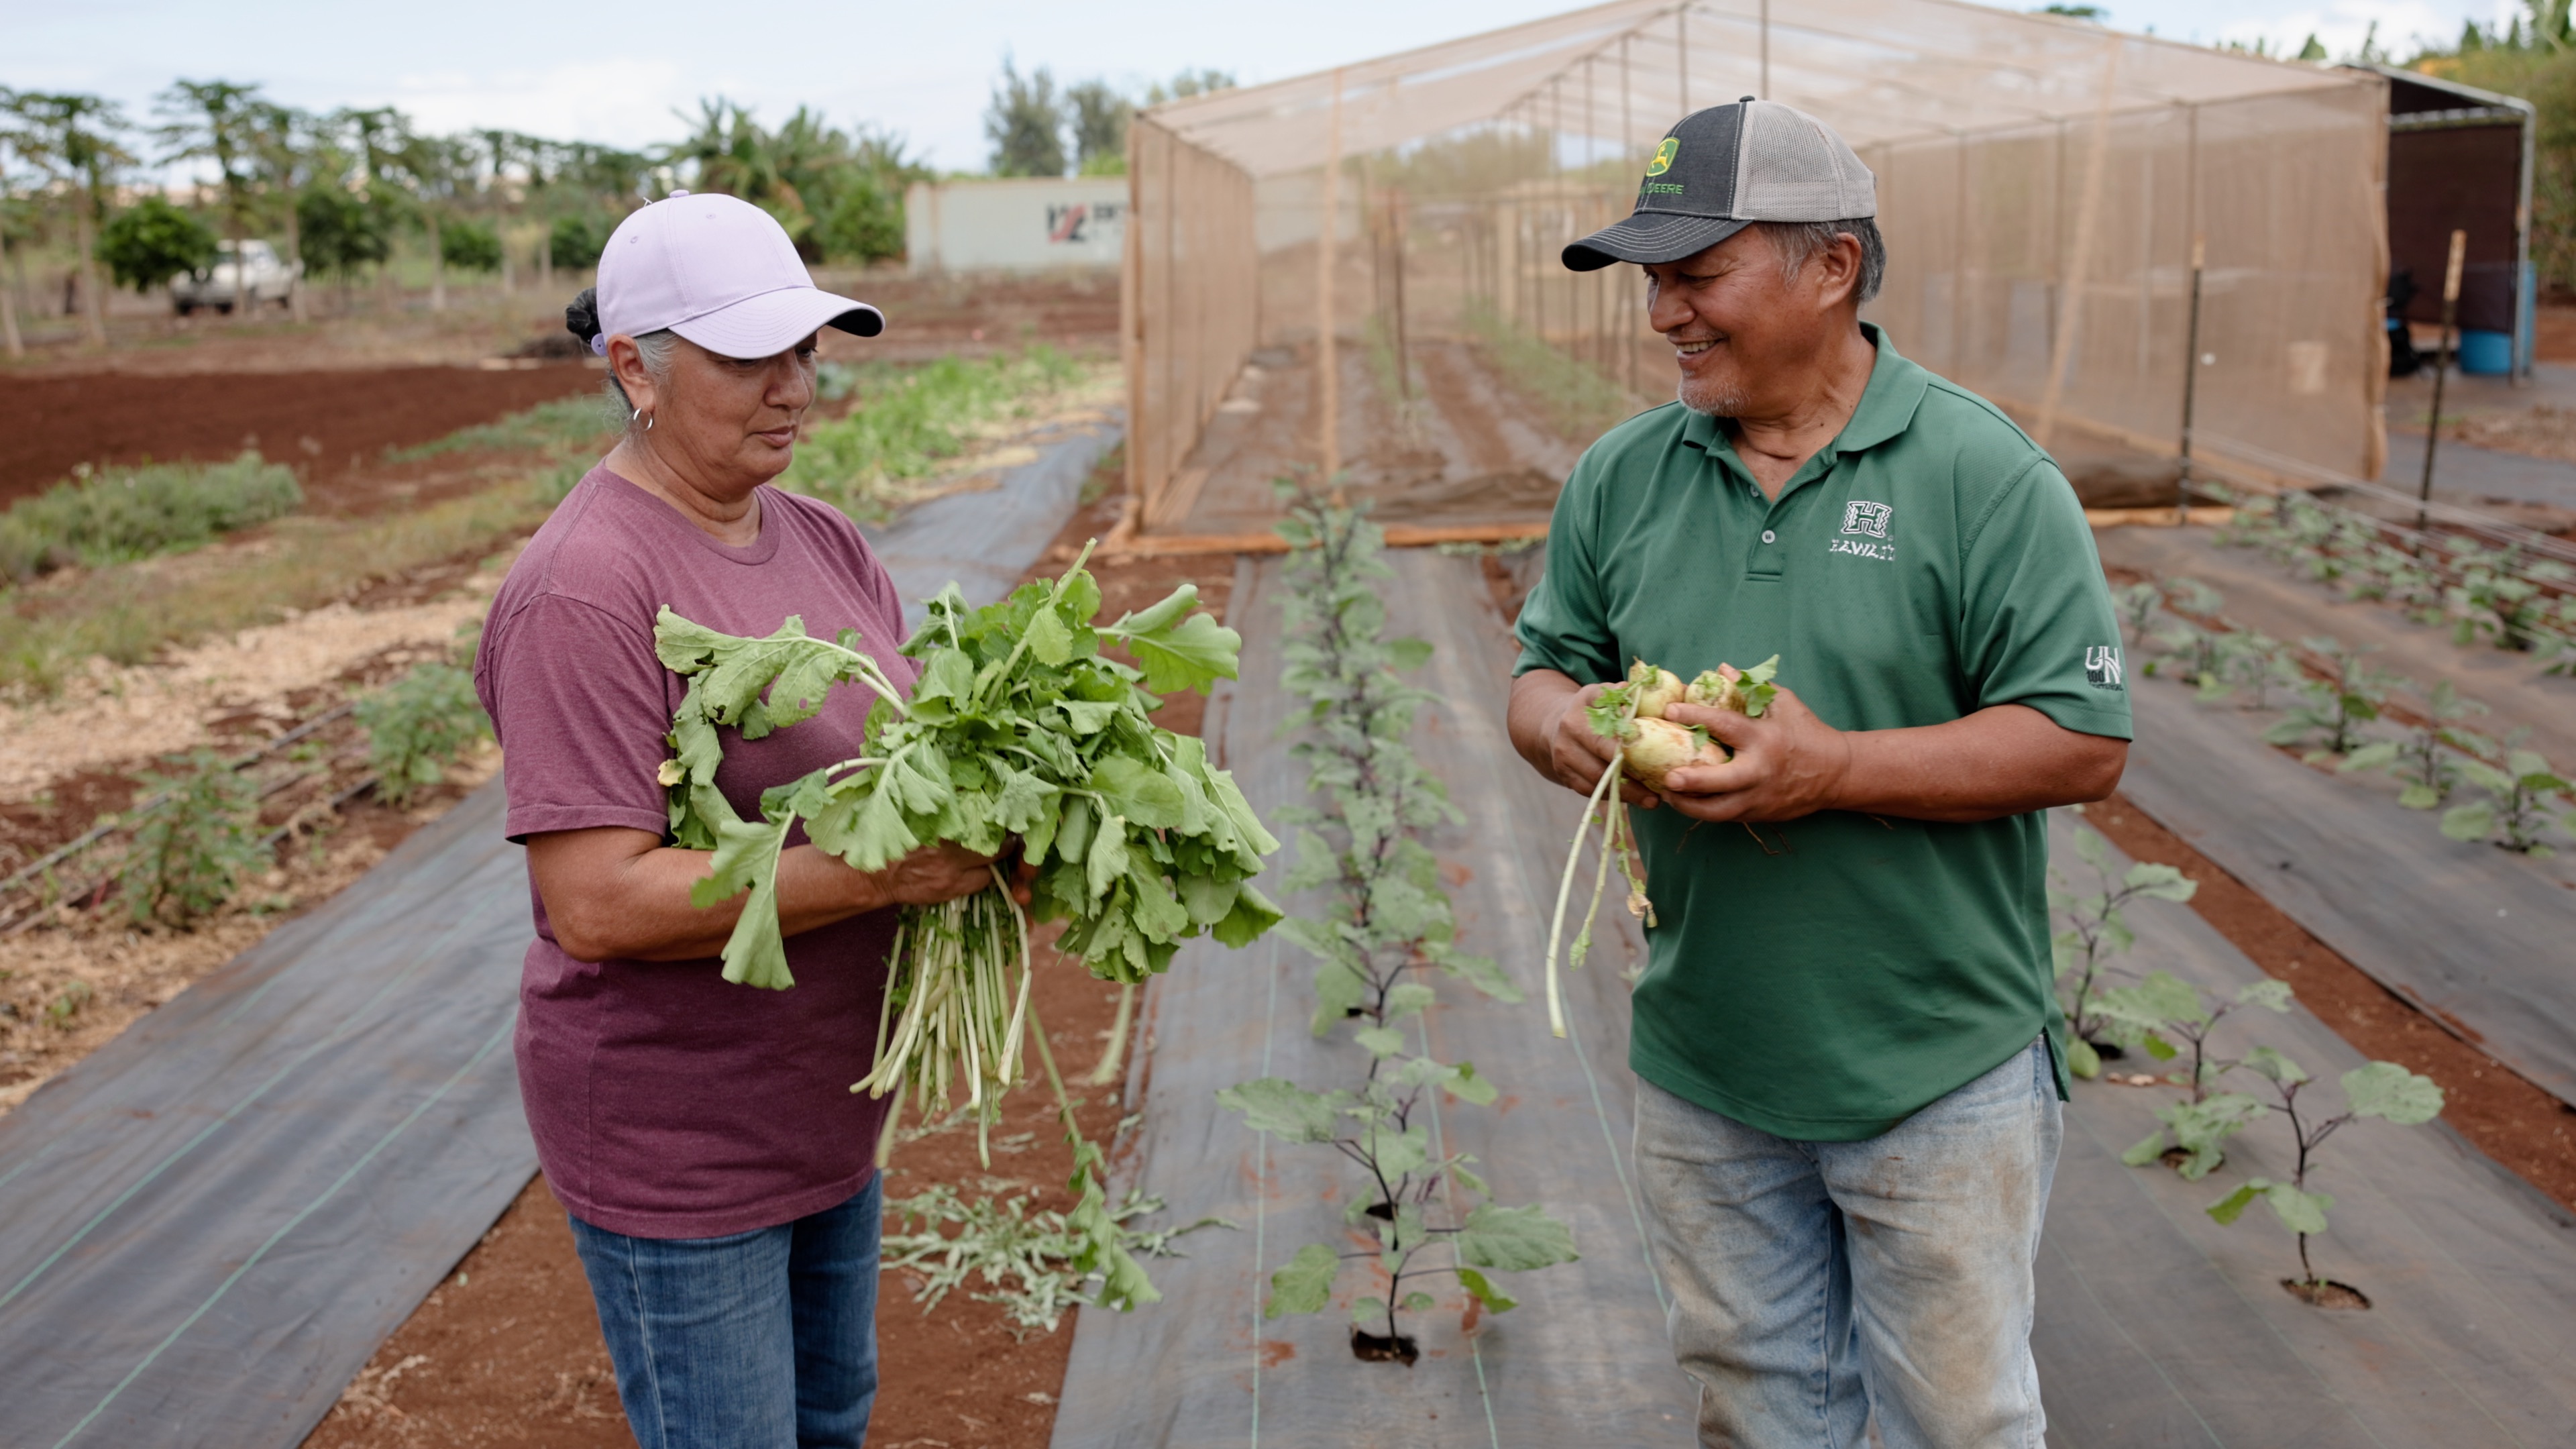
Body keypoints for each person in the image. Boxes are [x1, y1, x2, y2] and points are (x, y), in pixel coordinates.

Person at [1506, 99, 2131, 1448]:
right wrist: (1569, 730)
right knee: (1757, 1414)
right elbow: (1541, 669)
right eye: (1652, 280)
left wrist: (1833, 767)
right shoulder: (1623, 477)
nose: (1664, 312)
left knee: (1957, 1425)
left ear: (1831, 266)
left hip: (1935, 1065)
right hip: (1706, 1059)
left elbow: (2083, 739)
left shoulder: (1982, 477)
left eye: (1698, 274)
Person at [474, 191, 996, 1449]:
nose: (793, 387)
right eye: (748, 357)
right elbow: (597, 902)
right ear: (630, 366)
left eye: (806, 350)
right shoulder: (583, 591)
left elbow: (906, 767)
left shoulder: (820, 538)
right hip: (681, 1144)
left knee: (830, 1421)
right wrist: (884, 878)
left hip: (822, 1108)